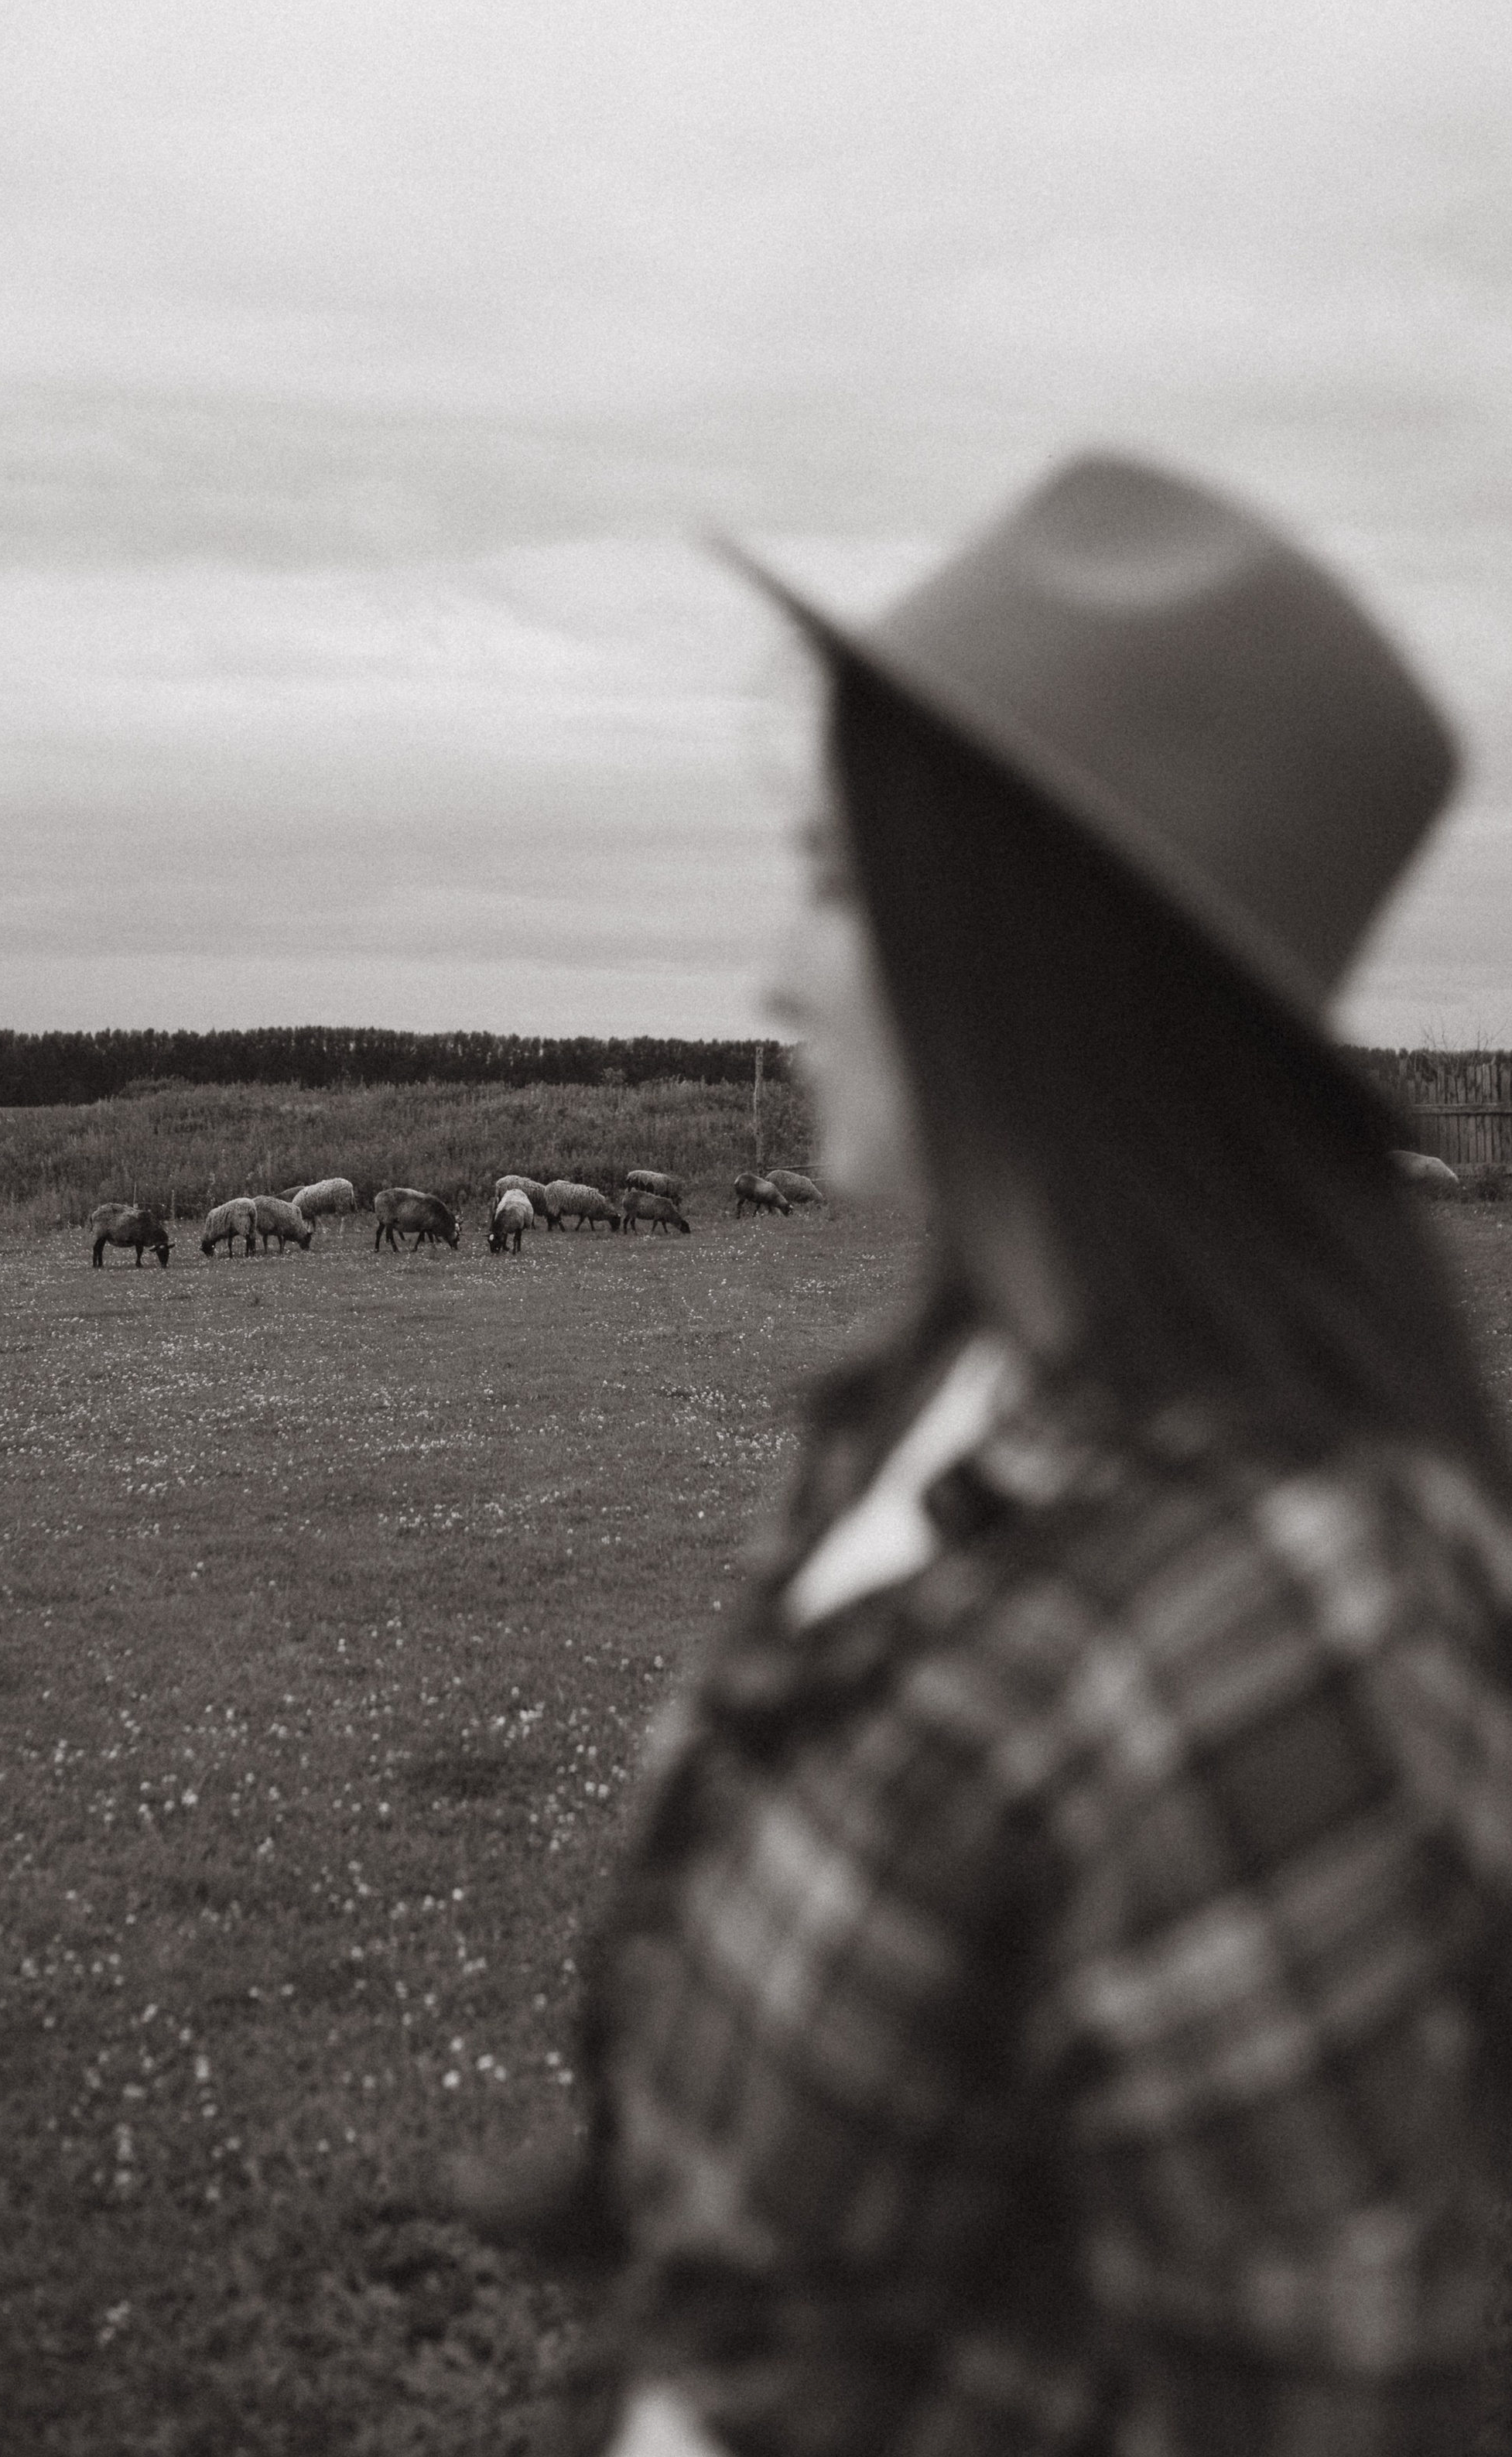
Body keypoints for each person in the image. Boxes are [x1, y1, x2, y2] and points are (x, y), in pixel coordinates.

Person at [484, 456, 1512, 2456]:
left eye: (840, 884)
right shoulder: (929, 1406)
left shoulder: (1292, 1627)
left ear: (1034, 963)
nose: (772, 976)